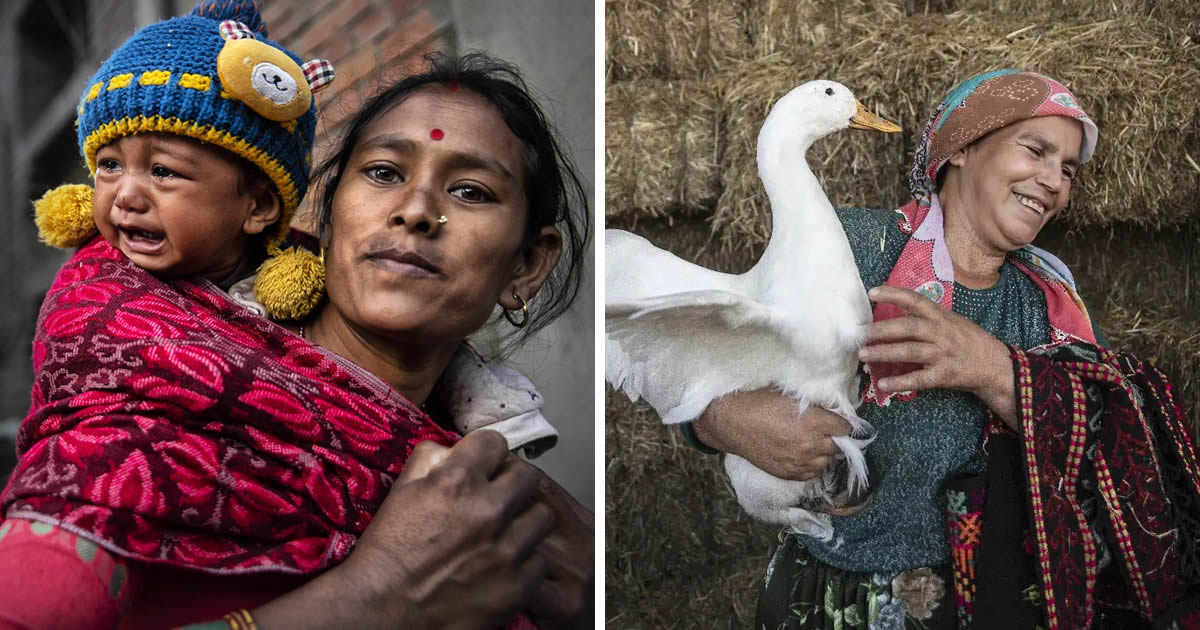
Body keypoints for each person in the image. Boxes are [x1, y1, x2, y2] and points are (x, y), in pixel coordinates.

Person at [0, 1, 592, 628]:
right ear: (327, 220)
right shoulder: (157, 391)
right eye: (385, 172)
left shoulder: (508, 508)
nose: (417, 210)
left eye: (470, 191)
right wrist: (370, 600)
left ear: (527, 263)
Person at [686, 70, 1200, 629]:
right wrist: (718, 419)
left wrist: (995, 370)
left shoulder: (1047, 303)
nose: (1054, 180)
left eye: (1069, 169)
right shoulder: (850, 245)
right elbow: (696, 357)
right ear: (961, 148)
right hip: (830, 596)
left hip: (989, 603)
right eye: (1036, 150)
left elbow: (1114, 449)